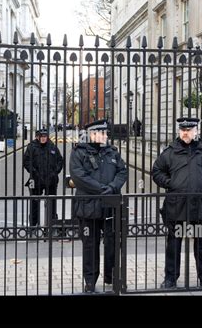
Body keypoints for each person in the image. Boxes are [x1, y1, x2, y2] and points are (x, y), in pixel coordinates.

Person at [151, 117, 202, 291]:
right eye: (183, 130)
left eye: (189, 130)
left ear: (196, 131)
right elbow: (156, 171)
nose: (185, 133)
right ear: (179, 131)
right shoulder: (170, 152)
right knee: (174, 245)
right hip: (178, 206)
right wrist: (170, 183)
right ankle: (170, 279)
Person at [69, 119, 127, 293]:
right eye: (102, 133)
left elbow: (122, 171)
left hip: (111, 206)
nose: (105, 136)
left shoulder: (112, 152)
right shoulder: (79, 152)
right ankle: (90, 281)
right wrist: (102, 189)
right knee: (90, 245)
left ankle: (111, 277)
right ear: (92, 134)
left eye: (105, 133)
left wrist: (112, 187)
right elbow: (78, 176)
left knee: (112, 243)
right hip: (88, 207)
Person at [24, 128, 63, 227]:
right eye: (41, 136)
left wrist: (55, 172)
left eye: (45, 136)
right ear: (38, 137)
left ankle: (52, 223)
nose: (43, 138)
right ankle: (33, 224)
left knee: (51, 203)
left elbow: (60, 161)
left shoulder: (52, 147)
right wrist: (33, 171)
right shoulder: (32, 147)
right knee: (34, 203)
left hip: (51, 180)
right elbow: (26, 161)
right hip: (36, 180)